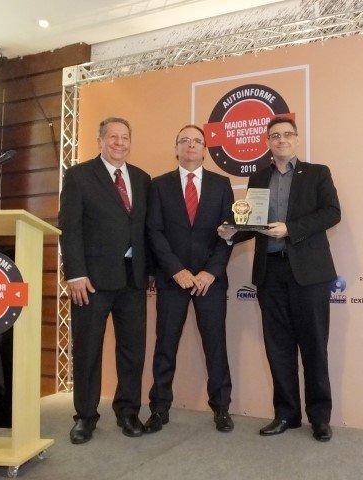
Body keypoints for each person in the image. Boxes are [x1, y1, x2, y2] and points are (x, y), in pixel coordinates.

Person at [218, 116, 341, 442]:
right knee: (278, 349)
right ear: (268, 142)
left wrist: (291, 229)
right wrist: (232, 232)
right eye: (275, 136)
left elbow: (332, 212)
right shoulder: (258, 178)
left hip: (309, 273)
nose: (281, 140)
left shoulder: (317, 173)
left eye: (287, 134)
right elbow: (254, 222)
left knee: (314, 347)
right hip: (270, 272)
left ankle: (320, 418)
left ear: (296, 139)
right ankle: (286, 414)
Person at [58, 117, 151, 444]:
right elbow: (70, 228)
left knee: (132, 350)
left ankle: (128, 412)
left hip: (133, 278)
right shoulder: (79, 176)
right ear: (100, 141)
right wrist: (75, 273)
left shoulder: (141, 178)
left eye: (125, 137)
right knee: (87, 350)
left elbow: (145, 228)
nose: (119, 143)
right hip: (91, 281)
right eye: (113, 137)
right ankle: (85, 417)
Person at [144, 124, 235, 434]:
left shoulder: (222, 185)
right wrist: (176, 269)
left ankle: (221, 408)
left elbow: (229, 232)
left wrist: (211, 271)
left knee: (216, 346)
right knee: (165, 346)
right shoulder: (159, 185)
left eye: (197, 141)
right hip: (173, 280)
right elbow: (154, 231)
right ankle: (159, 409)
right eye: (185, 140)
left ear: (205, 149)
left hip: (210, 280)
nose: (191, 145)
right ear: (177, 148)